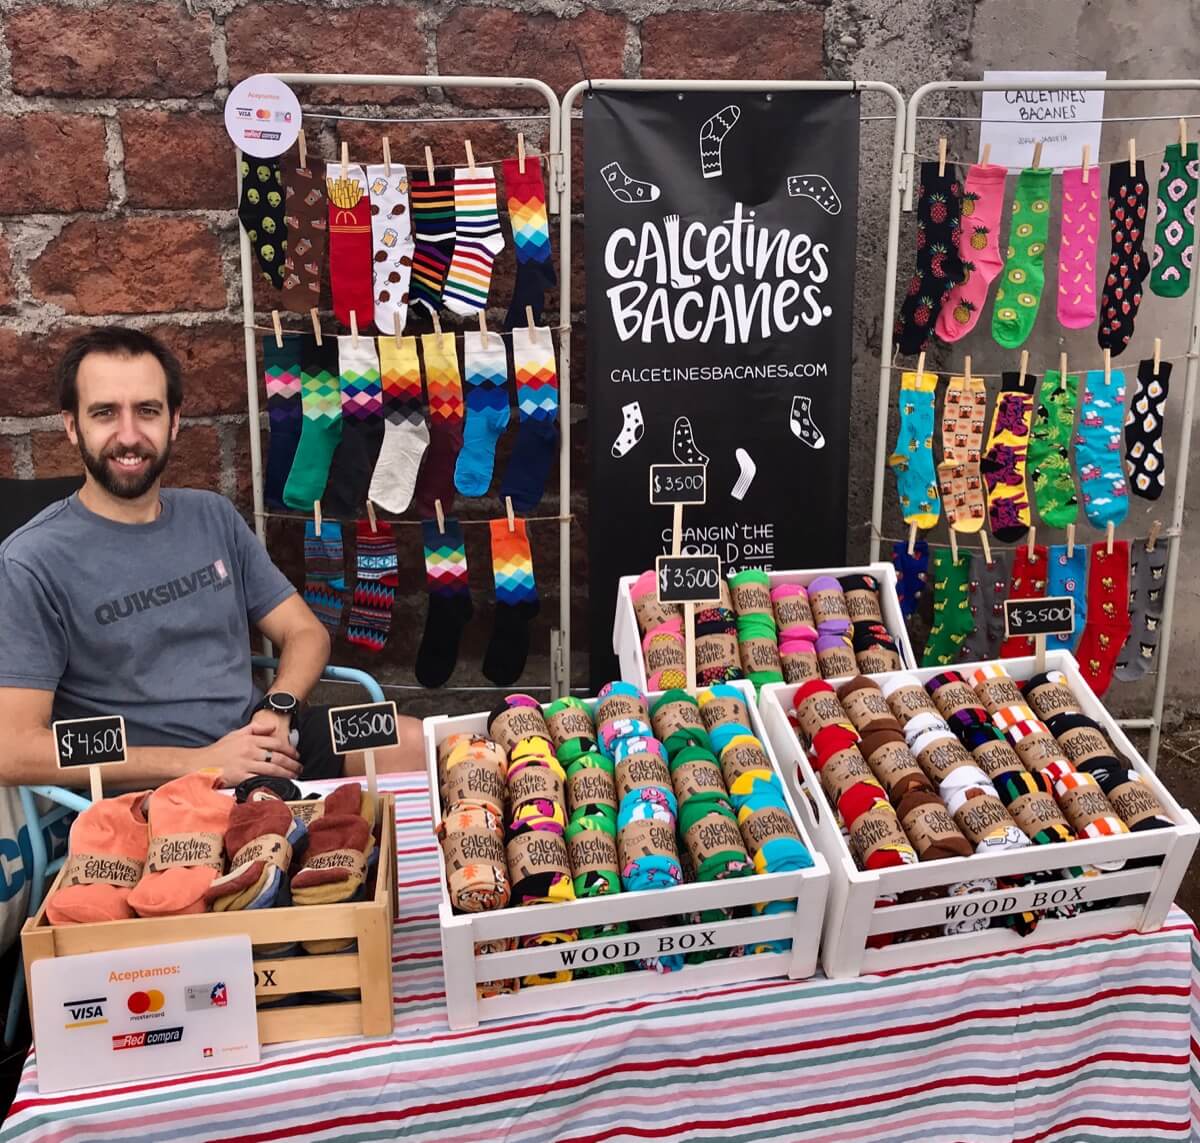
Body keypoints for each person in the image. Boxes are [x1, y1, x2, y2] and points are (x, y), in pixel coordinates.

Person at [0, 327, 423, 789]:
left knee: (414, 743)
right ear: (71, 425)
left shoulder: (211, 515)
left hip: (265, 740)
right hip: (158, 789)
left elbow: (305, 632)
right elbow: (13, 749)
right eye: (104, 413)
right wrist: (199, 762)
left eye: (147, 411)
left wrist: (278, 707)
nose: (128, 435)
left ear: (174, 421)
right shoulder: (32, 561)